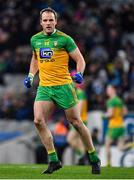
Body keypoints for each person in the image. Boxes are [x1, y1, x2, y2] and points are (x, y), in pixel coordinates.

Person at [24, 7, 100, 174]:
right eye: (45, 20)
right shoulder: (35, 40)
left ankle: (94, 158)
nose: (48, 23)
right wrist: (30, 75)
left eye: (51, 20)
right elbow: (35, 58)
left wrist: (79, 73)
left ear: (56, 21)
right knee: (38, 120)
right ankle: (53, 160)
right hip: (45, 87)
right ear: (41, 22)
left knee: (76, 123)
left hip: (64, 86)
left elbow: (80, 59)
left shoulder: (65, 39)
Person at [104, 85, 133, 166]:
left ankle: (108, 163)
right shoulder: (119, 100)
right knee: (121, 147)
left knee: (107, 145)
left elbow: (110, 114)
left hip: (113, 126)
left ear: (113, 90)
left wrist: (104, 116)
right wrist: (118, 115)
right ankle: (131, 144)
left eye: (109, 89)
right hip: (121, 125)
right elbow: (125, 112)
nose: (107, 91)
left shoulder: (111, 101)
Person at [67, 70, 88, 165]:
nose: (71, 82)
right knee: (79, 141)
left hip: (80, 120)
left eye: (72, 80)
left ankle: (83, 156)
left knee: (70, 139)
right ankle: (82, 159)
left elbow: (78, 109)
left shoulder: (80, 93)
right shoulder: (75, 92)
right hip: (77, 120)